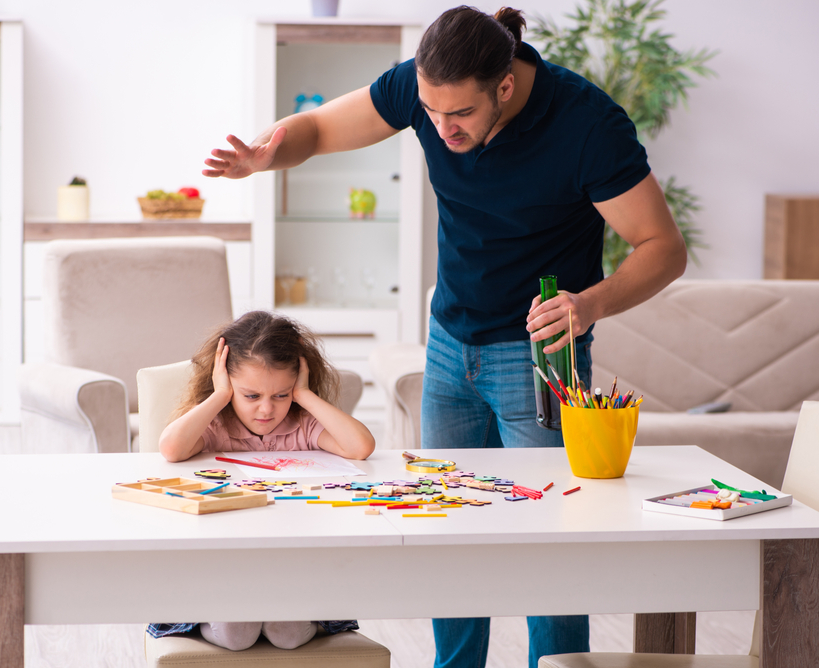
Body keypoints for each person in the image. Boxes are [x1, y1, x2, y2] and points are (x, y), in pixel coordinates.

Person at [201, 6, 687, 666]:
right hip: (449, 342)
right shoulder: (426, 86)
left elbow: (663, 248)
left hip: (539, 355)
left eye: (457, 114)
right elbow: (315, 128)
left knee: (553, 538)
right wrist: (266, 156)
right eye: (429, 111)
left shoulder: (587, 124)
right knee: (451, 530)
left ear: (506, 87)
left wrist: (589, 304)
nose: (440, 127)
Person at [152, 310, 375, 651]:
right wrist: (219, 396)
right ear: (228, 384)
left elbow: (360, 447)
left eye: (281, 395)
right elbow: (170, 448)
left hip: (291, 565)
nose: (266, 410)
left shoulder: (303, 424)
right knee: (236, 635)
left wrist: (304, 396)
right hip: (224, 567)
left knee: (286, 634)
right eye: (251, 396)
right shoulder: (218, 424)